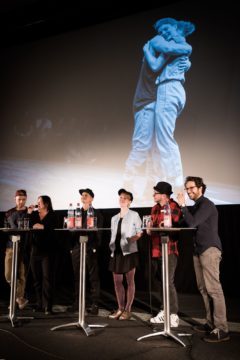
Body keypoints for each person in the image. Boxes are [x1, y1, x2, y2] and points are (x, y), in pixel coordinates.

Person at [124, 18, 195, 200]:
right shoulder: (156, 42)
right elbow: (157, 64)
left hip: (159, 97)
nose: (163, 32)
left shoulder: (170, 46)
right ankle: (128, 185)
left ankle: (152, 185)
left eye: (167, 28)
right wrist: (186, 50)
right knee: (144, 146)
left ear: (175, 27)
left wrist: (187, 58)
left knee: (158, 145)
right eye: (161, 30)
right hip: (146, 100)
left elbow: (178, 56)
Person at [177, 176, 230, 342]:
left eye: (192, 188)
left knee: (214, 289)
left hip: (209, 250)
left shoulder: (206, 204)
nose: (189, 191)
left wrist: (183, 206)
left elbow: (192, 222)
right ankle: (211, 323)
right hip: (198, 251)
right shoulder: (196, 206)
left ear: (201, 188)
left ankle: (222, 329)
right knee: (204, 289)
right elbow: (183, 222)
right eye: (187, 189)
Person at [148, 181, 182, 327]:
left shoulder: (173, 207)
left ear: (163, 195)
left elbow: (175, 228)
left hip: (169, 249)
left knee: (169, 281)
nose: (153, 195)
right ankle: (164, 310)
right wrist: (149, 229)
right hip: (156, 249)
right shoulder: (154, 208)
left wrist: (164, 227)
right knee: (161, 282)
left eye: (155, 192)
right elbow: (153, 229)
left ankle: (173, 314)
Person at [108, 189, 142, 320]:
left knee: (130, 281)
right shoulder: (114, 218)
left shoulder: (134, 215)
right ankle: (120, 308)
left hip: (129, 252)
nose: (122, 199)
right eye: (120, 197)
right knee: (117, 282)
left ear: (130, 201)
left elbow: (139, 233)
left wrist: (129, 241)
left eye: (125, 198)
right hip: (116, 252)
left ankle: (128, 310)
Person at [71, 188, 103, 315]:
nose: (83, 197)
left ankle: (94, 304)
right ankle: (78, 303)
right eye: (82, 195)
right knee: (77, 276)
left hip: (90, 248)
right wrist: (71, 248)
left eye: (86, 195)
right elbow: (70, 230)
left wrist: (95, 247)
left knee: (93, 277)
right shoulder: (75, 212)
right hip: (77, 248)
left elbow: (99, 233)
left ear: (92, 198)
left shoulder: (97, 213)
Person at [28, 195, 57, 315]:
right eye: (37, 202)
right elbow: (28, 227)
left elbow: (55, 229)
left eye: (39, 202)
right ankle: (39, 304)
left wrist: (43, 226)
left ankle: (48, 306)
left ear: (46, 204)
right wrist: (29, 214)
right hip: (35, 251)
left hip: (47, 251)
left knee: (47, 279)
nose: (37, 204)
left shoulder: (53, 215)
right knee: (36, 279)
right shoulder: (34, 215)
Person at [4, 189, 29, 310]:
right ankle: (20, 298)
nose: (21, 202)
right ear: (15, 199)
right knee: (8, 275)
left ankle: (16, 300)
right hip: (10, 246)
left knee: (21, 275)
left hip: (23, 247)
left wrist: (29, 213)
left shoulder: (29, 212)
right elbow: (8, 228)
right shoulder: (9, 213)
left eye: (23, 199)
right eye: (19, 199)